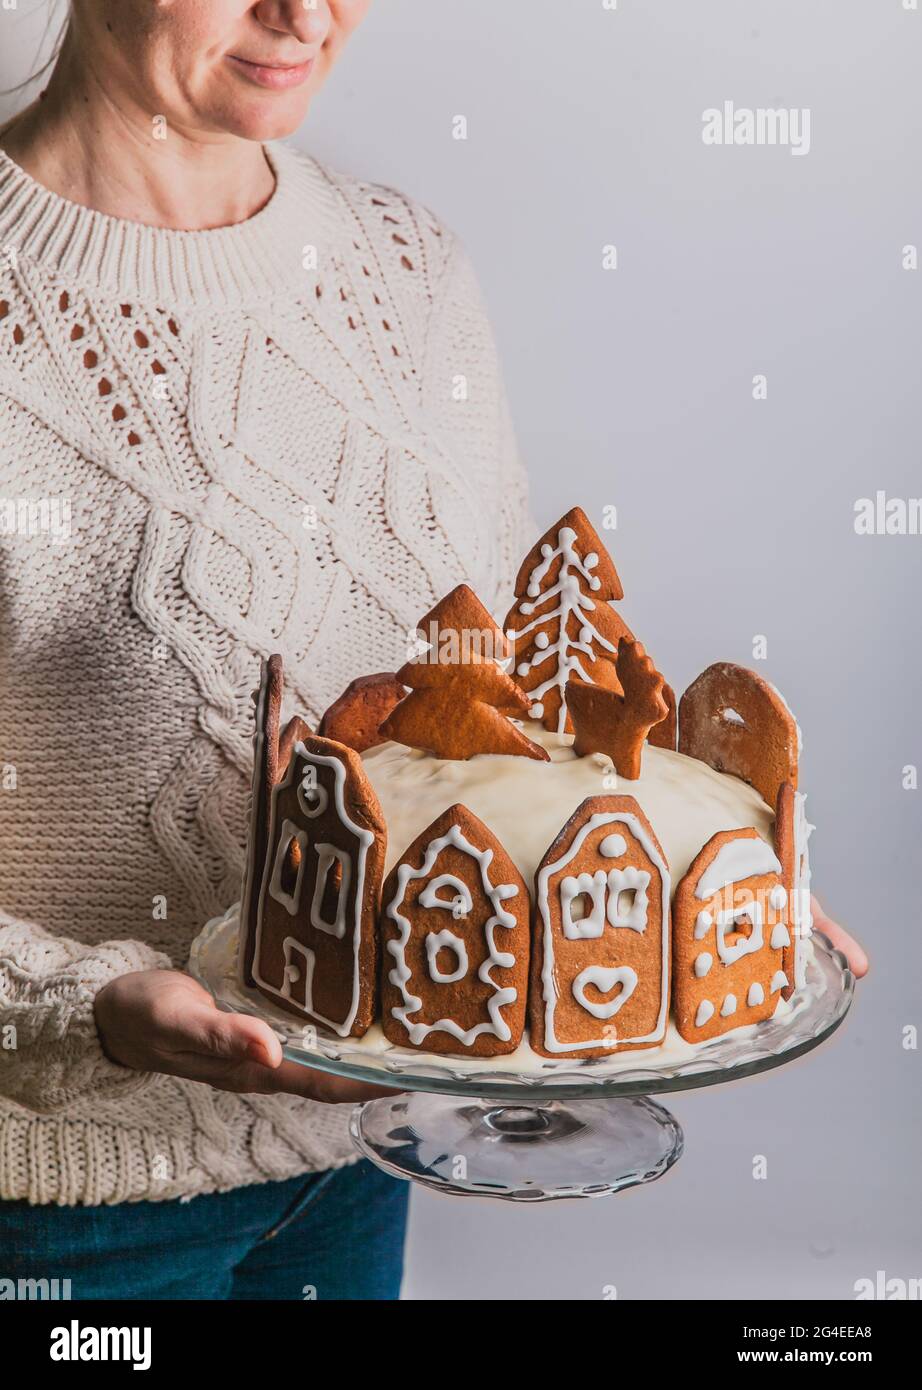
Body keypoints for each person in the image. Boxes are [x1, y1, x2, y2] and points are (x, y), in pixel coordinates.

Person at [0, 0, 865, 1302]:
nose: (305, 16)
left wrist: (701, 879)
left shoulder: (406, 265)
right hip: (66, 1216)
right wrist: (94, 1004)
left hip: (360, 1163)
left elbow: (514, 696)